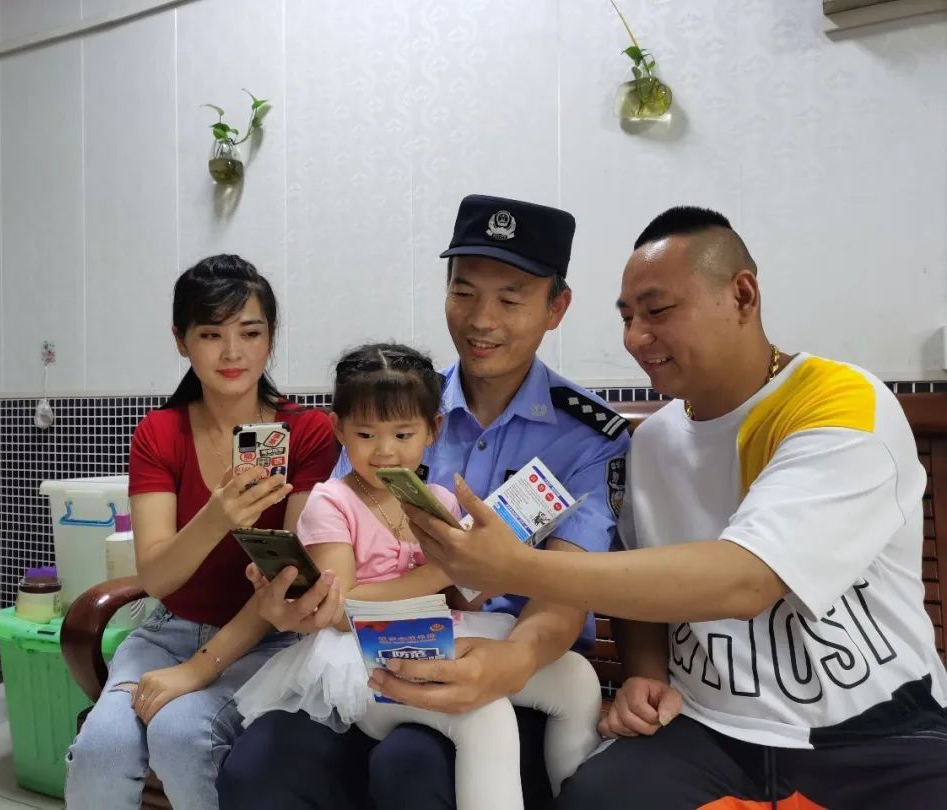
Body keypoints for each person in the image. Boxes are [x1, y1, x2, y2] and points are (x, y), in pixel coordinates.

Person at [403, 207, 947, 809]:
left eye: (657, 311)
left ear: (742, 295)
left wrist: (510, 567)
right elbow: (636, 576)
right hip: (706, 727)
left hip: (875, 731)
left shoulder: (840, 404)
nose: (636, 337)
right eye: (627, 317)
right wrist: (646, 671)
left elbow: (746, 580)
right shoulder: (653, 441)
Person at [219, 195, 630, 810]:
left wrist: (510, 660)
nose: (481, 319)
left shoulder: (588, 436)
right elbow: (339, 551)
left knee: (412, 766)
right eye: (463, 292)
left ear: (556, 308)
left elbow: (565, 593)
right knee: (259, 765)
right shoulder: (393, 405)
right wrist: (297, 601)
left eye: (510, 299)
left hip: (518, 665)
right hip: (375, 652)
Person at [232, 342, 600, 810]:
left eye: (403, 434)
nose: (385, 450)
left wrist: (497, 567)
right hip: (364, 661)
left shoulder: (438, 501)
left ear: (433, 430)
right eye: (366, 434)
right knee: (483, 715)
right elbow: (340, 610)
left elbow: (460, 599)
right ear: (339, 429)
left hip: (438, 637)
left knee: (577, 678)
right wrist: (441, 570)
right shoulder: (331, 502)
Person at [64, 255, 338, 810]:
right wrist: (217, 517)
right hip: (169, 630)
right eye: (211, 334)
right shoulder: (159, 433)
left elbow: (289, 580)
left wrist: (201, 667)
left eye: (250, 333)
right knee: (102, 749)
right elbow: (157, 578)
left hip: (269, 636)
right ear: (181, 340)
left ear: (270, 337)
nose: (232, 352)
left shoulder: (307, 432)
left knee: (183, 735)